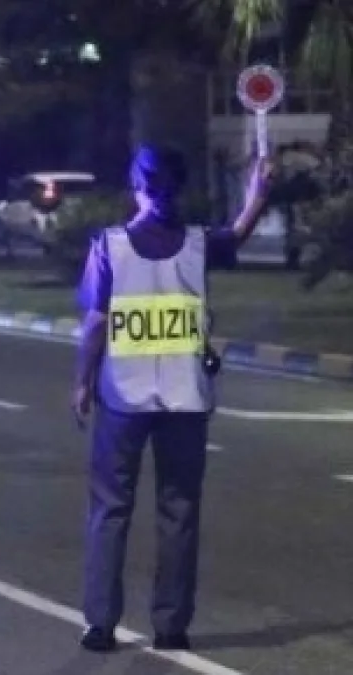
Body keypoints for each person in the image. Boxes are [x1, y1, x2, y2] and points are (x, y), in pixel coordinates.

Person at [72, 145, 273, 653]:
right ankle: (171, 626)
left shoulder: (109, 246)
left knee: (110, 509)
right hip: (185, 399)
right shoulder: (199, 244)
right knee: (179, 510)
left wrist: (82, 382)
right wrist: (256, 195)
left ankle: (100, 624)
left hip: (123, 398)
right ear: (179, 187)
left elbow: (96, 323)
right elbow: (238, 235)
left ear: (136, 186)